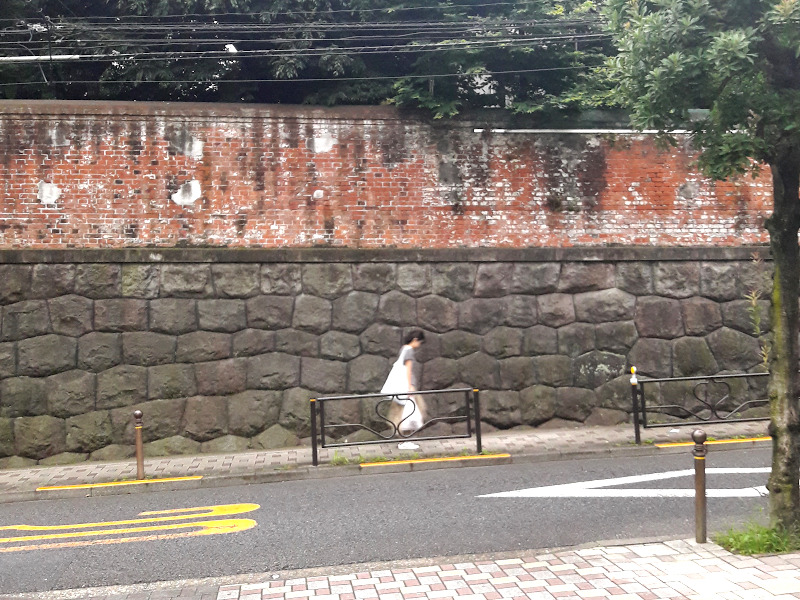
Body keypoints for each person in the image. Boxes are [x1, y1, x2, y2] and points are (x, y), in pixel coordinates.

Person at [380, 329, 426, 449]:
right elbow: (408, 370)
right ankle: (405, 441)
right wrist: (410, 386)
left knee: (402, 413)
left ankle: (403, 440)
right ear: (415, 340)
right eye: (419, 343)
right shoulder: (409, 351)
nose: (419, 346)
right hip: (407, 387)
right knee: (412, 413)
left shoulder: (403, 349)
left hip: (402, 387)